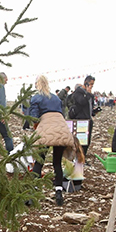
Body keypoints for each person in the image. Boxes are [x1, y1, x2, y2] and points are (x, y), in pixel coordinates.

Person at [28, 75, 77, 206]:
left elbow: (33, 117)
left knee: (39, 163)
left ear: (37, 84)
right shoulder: (55, 97)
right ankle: (59, 194)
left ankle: (33, 194)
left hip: (46, 130)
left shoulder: (36, 97)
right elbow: (62, 111)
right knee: (57, 163)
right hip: (61, 128)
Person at [66, 78, 96, 156]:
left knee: (87, 140)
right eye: (91, 84)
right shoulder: (78, 92)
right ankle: (78, 157)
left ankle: (83, 156)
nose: (91, 86)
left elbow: (90, 105)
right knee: (80, 140)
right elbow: (82, 102)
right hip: (81, 119)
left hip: (88, 119)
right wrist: (88, 94)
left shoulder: (89, 94)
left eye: (93, 84)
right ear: (86, 83)